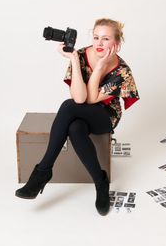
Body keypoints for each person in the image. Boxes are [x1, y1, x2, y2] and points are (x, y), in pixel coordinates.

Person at [15, 18, 140, 216]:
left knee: (68, 106)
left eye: (106, 39)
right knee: (75, 128)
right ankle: (101, 182)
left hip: (105, 116)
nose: (99, 43)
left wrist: (99, 68)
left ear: (117, 44)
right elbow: (79, 98)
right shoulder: (81, 55)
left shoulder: (122, 72)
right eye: (96, 37)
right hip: (80, 110)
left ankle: (42, 171)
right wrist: (74, 58)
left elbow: (89, 100)